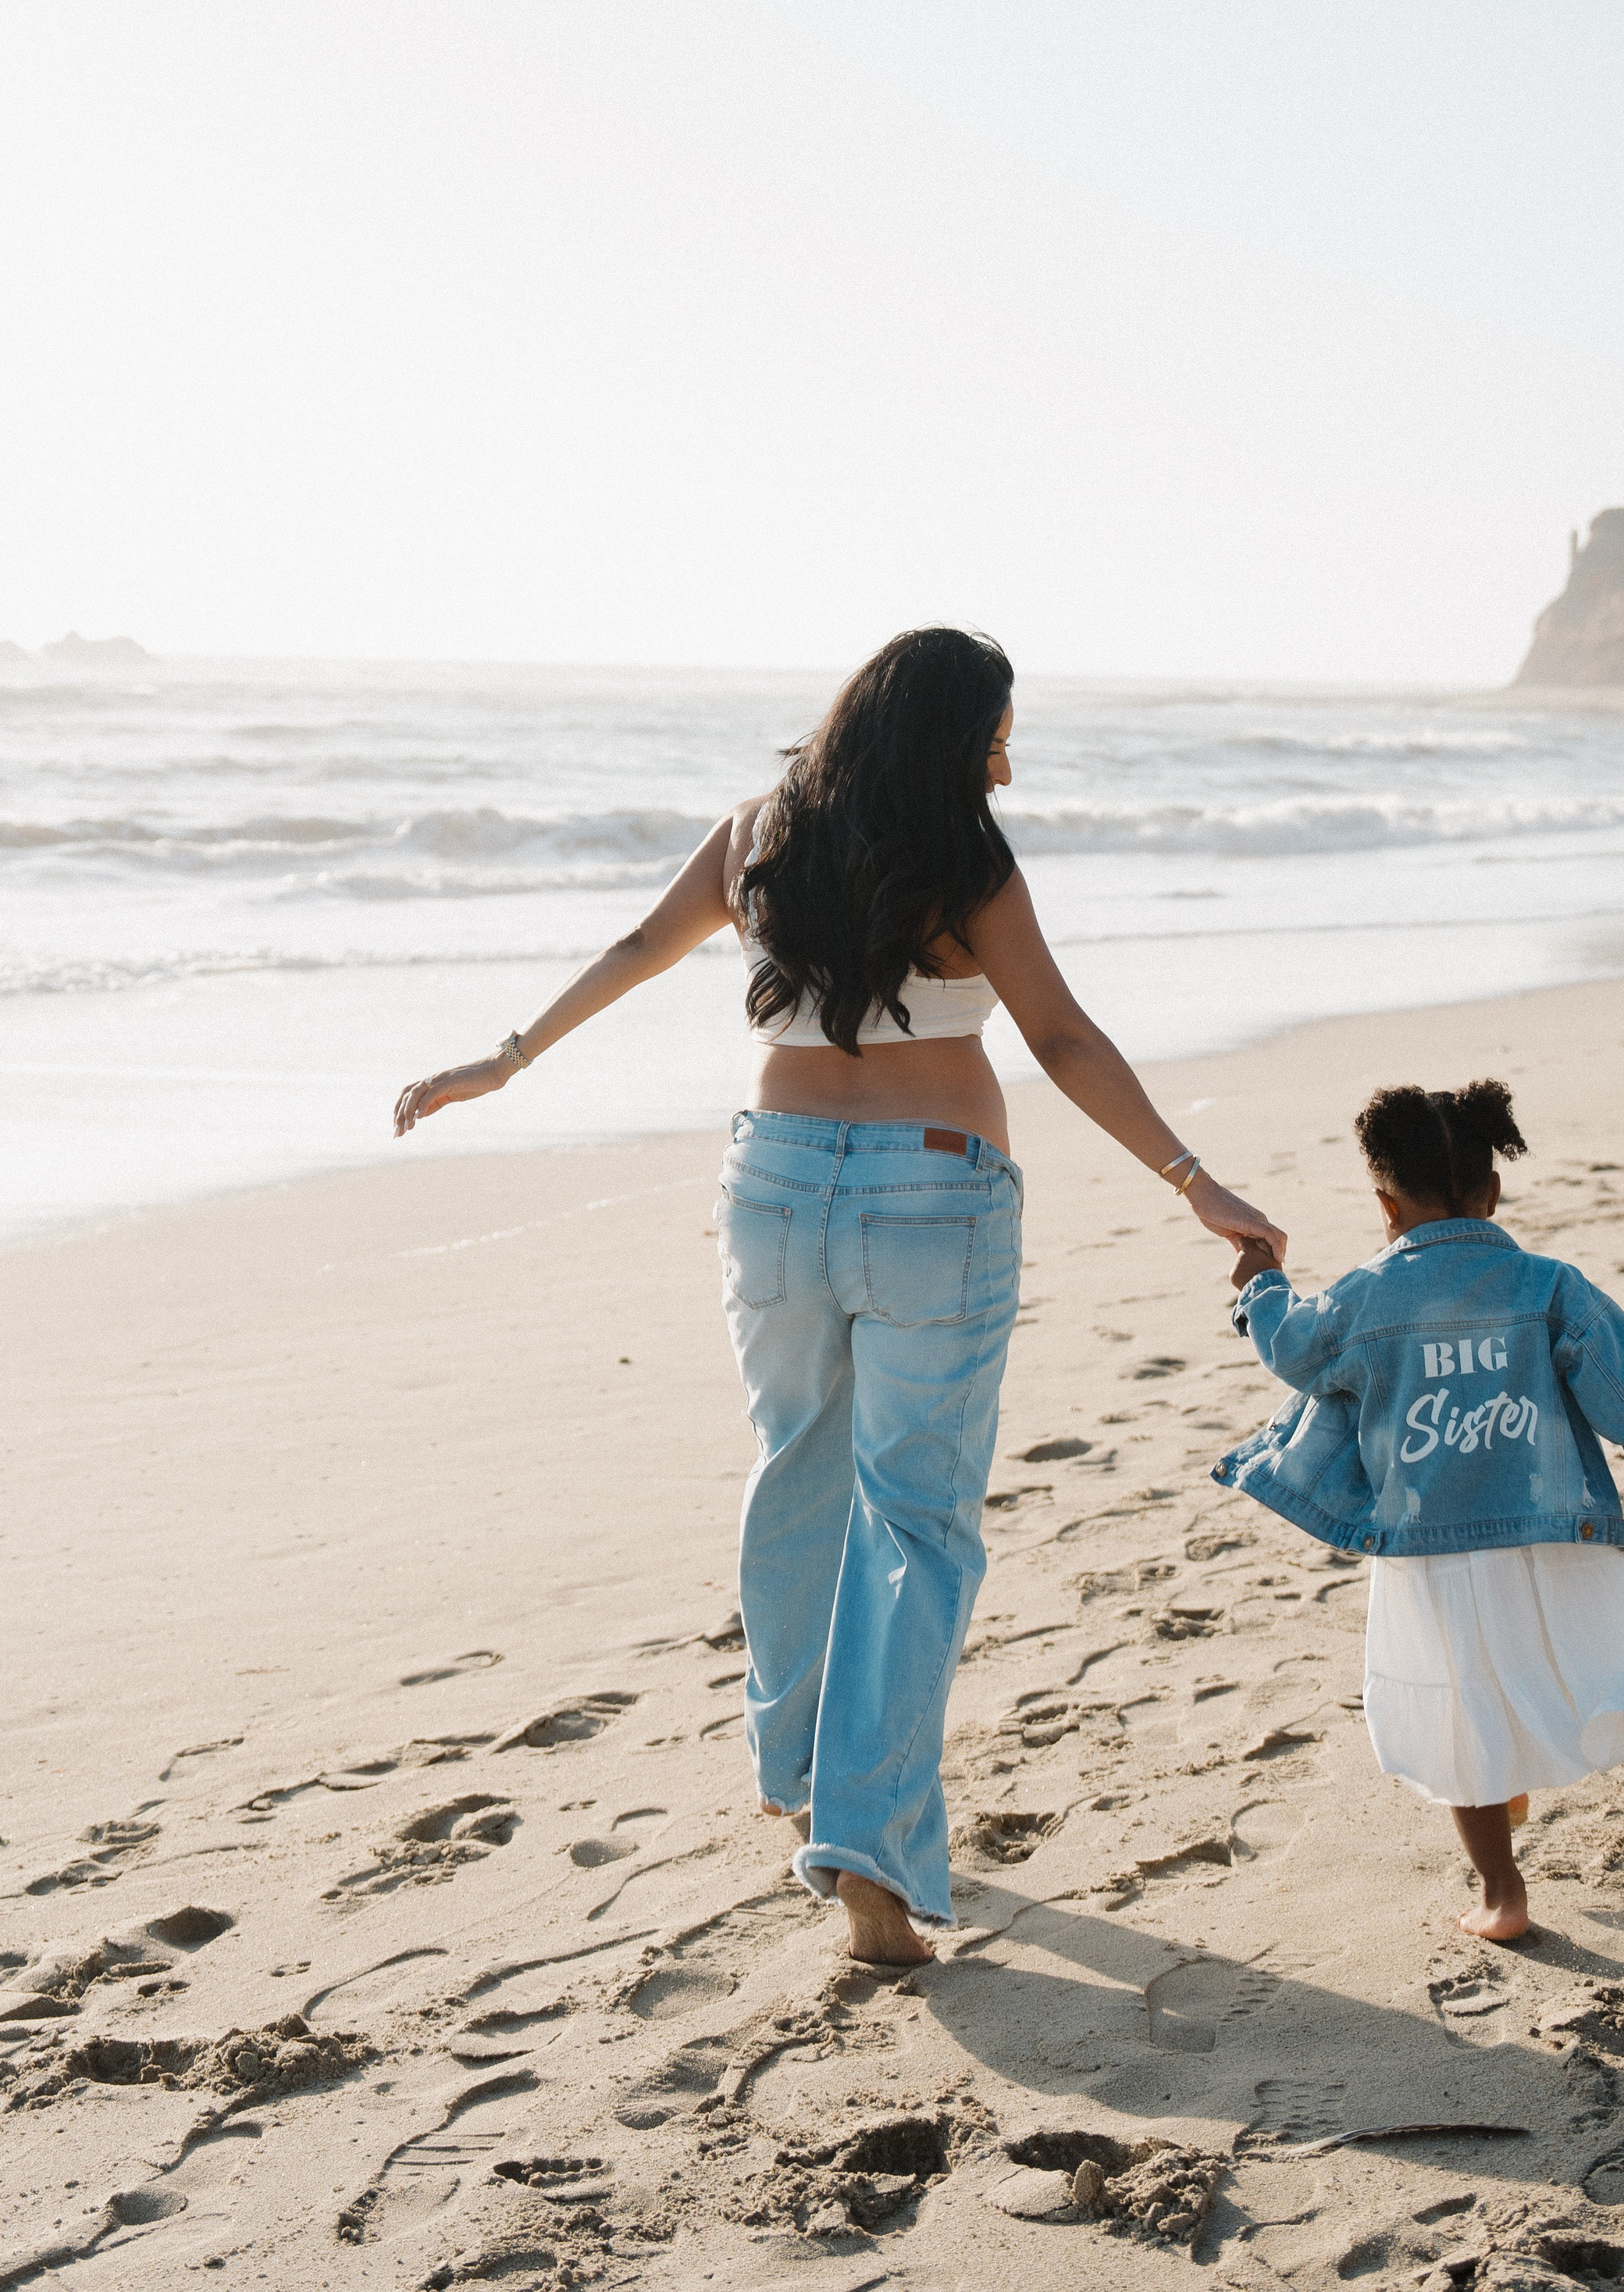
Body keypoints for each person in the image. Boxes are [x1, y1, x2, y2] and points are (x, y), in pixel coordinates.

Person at [394, 626, 1284, 1964]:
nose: (1004, 761)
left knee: (797, 1472)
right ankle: (866, 1849)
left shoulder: (759, 832)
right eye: (994, 734)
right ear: (943, 735)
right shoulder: (967, 858)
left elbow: (639, 944)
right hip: (933, 1193)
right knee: (918, 1521)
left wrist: (504, 1061)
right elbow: (1057, 1035)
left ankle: (801, 1772)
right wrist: (1192, 1179)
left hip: (775, 1184)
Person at [1211, 1078, 1624, 1941]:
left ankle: (1501, 1893)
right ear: (1493, 1190)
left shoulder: (1365, 1296)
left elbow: (1294, 1352)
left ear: (1385, 1205)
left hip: (1427, 1543)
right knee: (1539, 1665)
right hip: (1548, 1528)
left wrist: (1261, 1284)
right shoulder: (1548, 1286)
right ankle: (1512, 1785)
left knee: (1460, 1709)